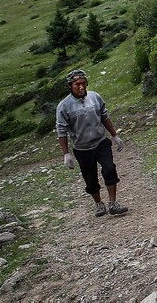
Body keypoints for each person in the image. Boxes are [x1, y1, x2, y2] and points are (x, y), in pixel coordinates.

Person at [56, 69, 128, 216]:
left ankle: (113, 204)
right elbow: (61, 130)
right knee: (90, 179)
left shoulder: (95, 97)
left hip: (101, 142)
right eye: (77, 84)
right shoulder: (64, 106)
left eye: (83, 83)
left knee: (109, 168)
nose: (81, 87)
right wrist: (66, 154)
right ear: (70, 86)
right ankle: (99, 204)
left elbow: (104, 117)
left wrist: (115, 136)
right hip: (82, 148)